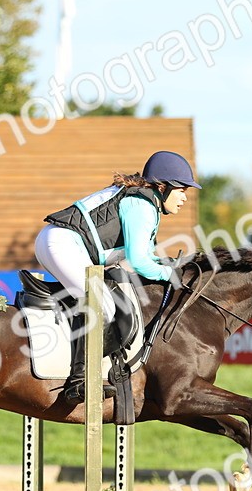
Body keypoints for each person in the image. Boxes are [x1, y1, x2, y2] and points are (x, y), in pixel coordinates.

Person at [35, 150, 201, 403]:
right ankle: (79, 382)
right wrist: (172, 275)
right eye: (181, 190)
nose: (184, 198)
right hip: (61, 245)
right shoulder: (142, 205)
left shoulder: (148, 204)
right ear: (162, 186)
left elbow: (147, 257)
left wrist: (171, 266)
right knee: (103, 305)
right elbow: (139, 262)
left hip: (65, 245)